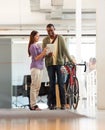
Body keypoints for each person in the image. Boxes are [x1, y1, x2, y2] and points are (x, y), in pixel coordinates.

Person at [42, 24, 74, 110]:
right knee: (52, 84)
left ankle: (63, 104)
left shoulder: (60, 38)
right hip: (50, 64)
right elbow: (43, 53)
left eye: (51, 30)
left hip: (59, 64)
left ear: (54, 29)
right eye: (48, 31)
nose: (50, 32)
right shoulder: (45, 40)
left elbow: (65, 50)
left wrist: (71, 60)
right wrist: (48, 54)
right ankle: (53, 104)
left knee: (60, 83)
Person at [28, 30, 47, 110]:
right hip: (35, 67)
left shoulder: (38, 46)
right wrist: (43, 53)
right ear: (33, 37)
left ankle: (34, 104)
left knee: (38, 87)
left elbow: (41, 57)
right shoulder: (32, 46)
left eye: (39, 36)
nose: (38, 37)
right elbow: (36, 58)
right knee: (34, 86)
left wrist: (46, 53)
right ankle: (33, 105)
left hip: (40, 67)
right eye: (37, 36)